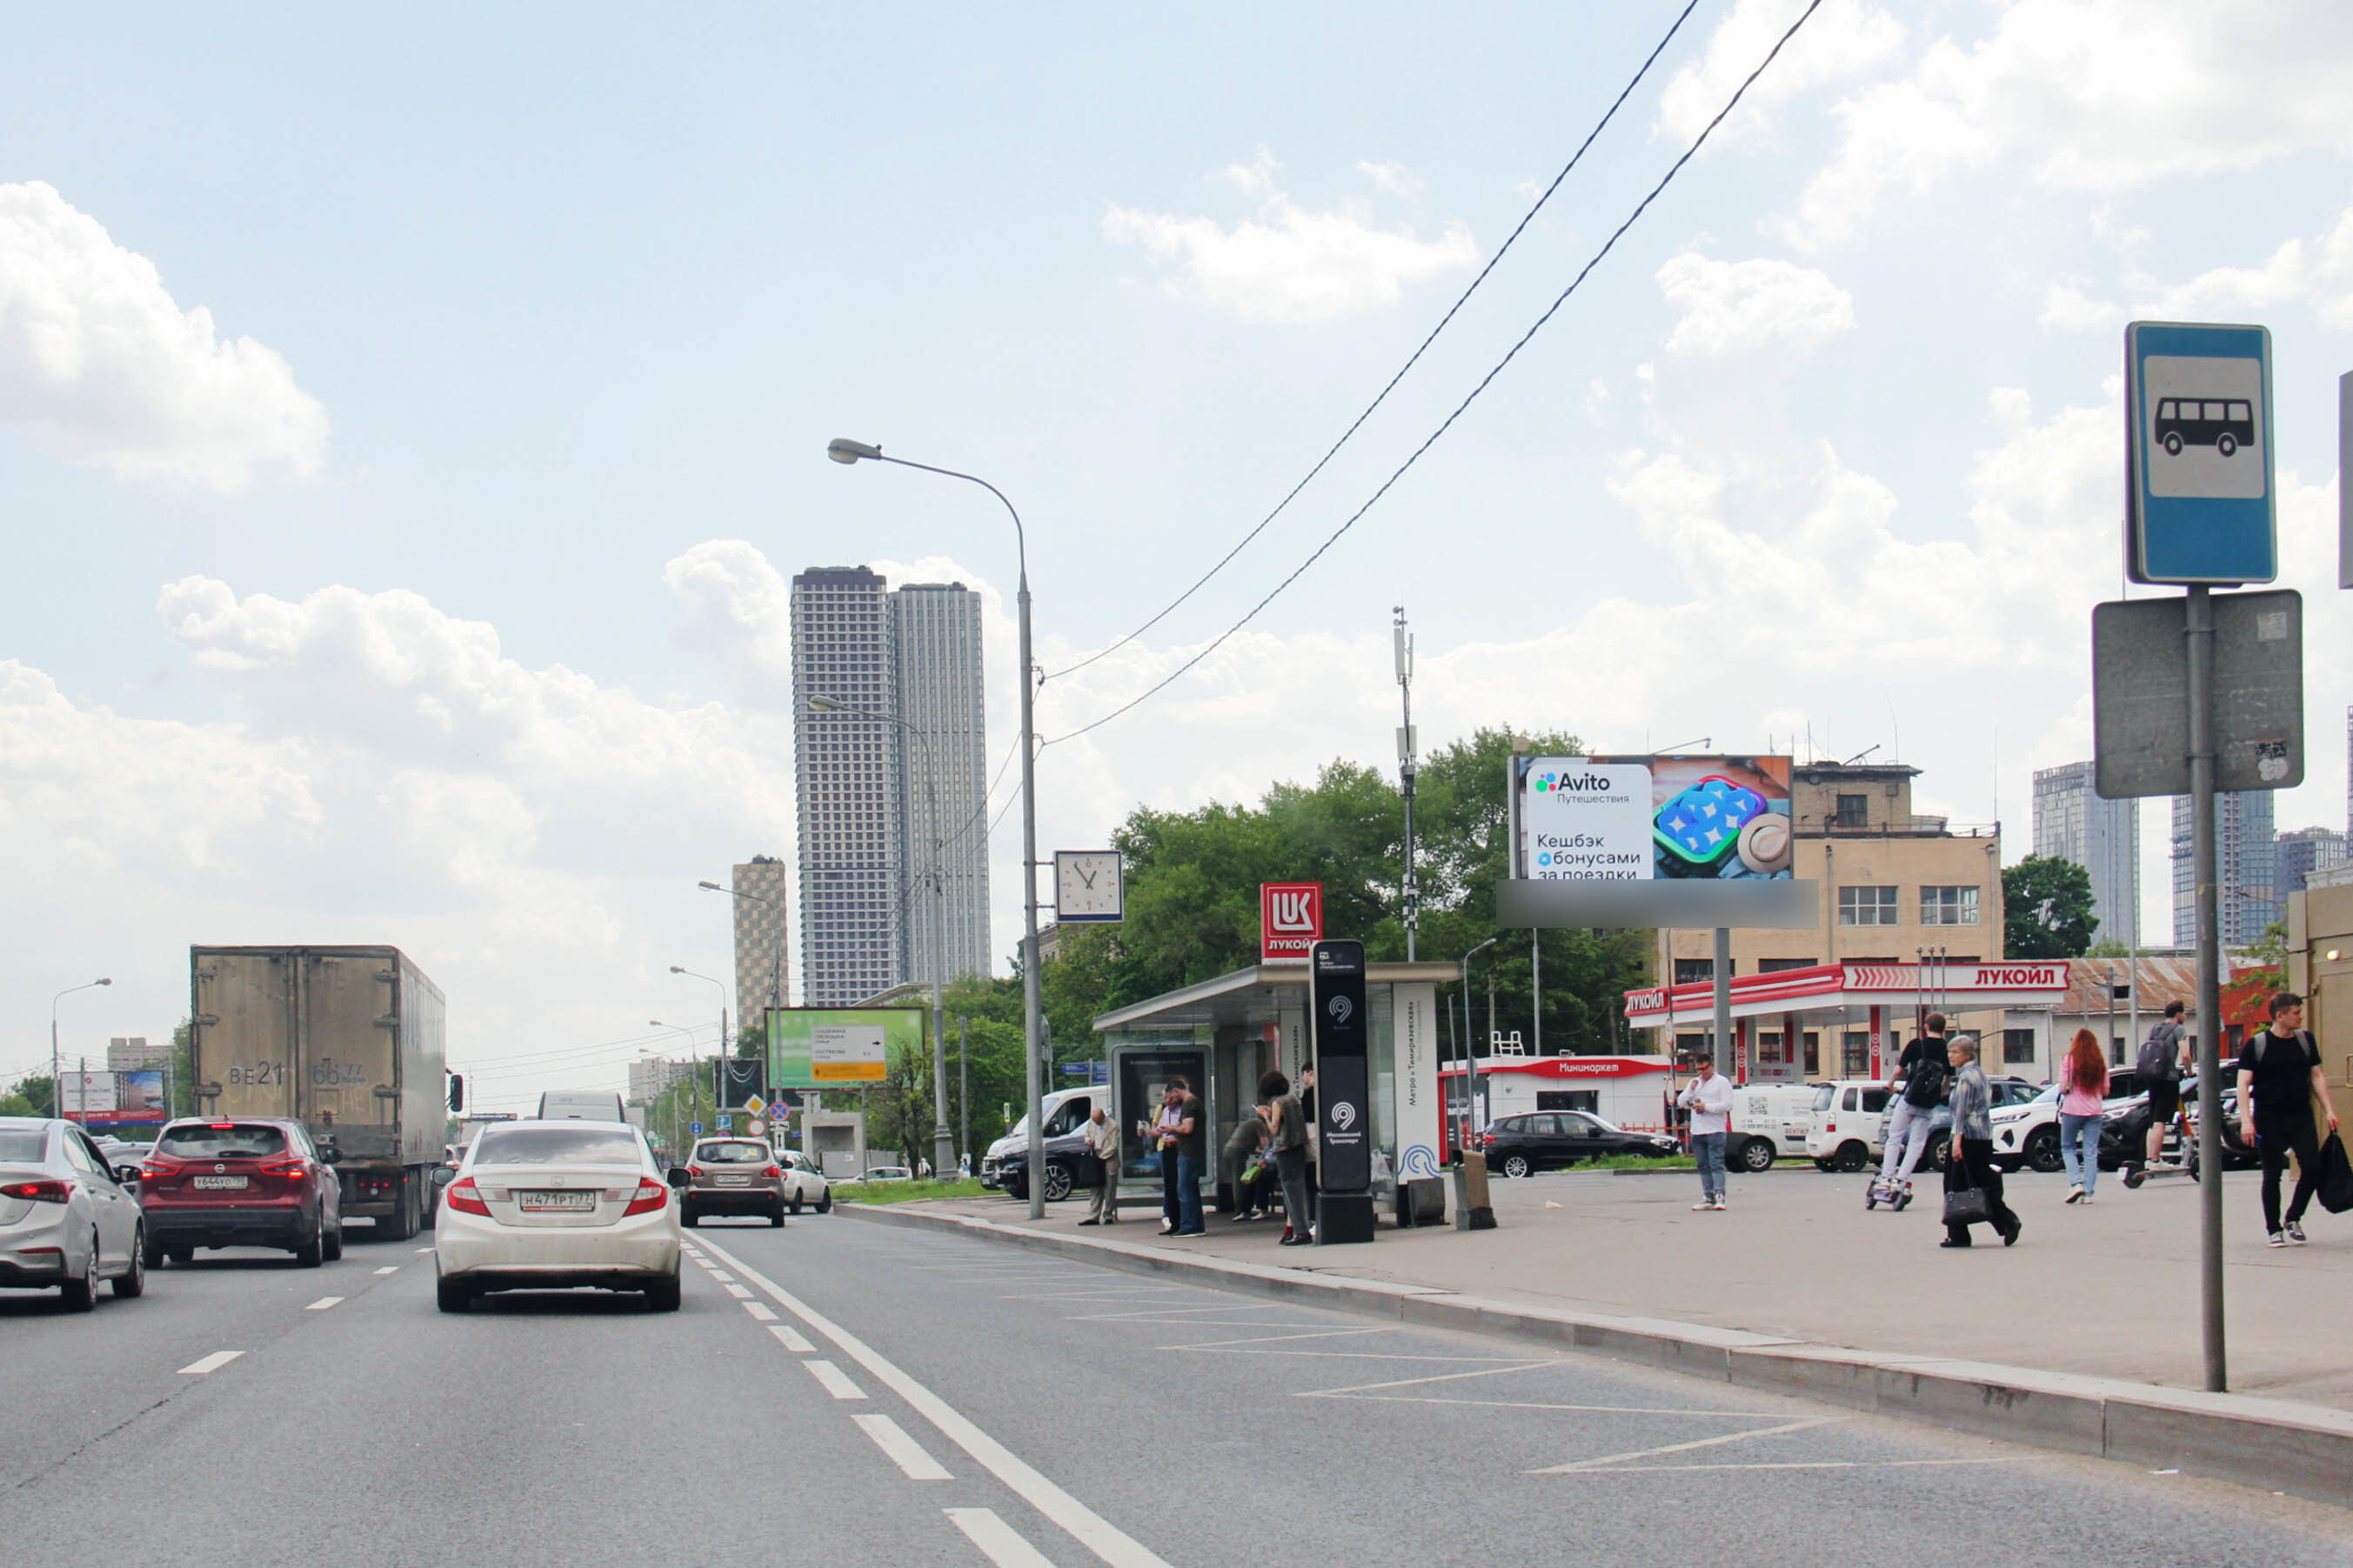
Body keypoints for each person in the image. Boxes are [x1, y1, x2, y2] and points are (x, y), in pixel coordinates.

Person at [2236, 991, 2342, 1247]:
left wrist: (2329, 1110)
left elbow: (2316, 1076)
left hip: (2300, 1115)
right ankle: (2273, 1230)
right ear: (2280, 1015)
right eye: (2296, 1012)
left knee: (2313, 1167)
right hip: (2269, 1118)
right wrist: (2246, 1120)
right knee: (2272, 1174)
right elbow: (2243, 1083)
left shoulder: (2305, 1041)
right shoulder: (2257, 1045)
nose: (2300, 1017)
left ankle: (2293, 1218)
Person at [1941, 1034, 2021, 1248]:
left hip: (1967, 1137)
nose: (1950, 1056)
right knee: (1979, 1184)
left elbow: (1961, 1112)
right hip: (1982, 1136)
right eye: (1949, 1052)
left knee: (1954, 1185)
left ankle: (1963, 1233)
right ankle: (2002, 1222)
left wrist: (1956, 1141)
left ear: (1967, 1055)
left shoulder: (1967, 1078)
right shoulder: (1980, 1075)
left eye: (1955, 1052)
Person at [1875, 1011, 1951, 1198]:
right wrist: (1939, 1094)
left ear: (1926, 1026)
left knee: (1895, 1137)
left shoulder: (1916, 1044)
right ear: (1944, 1028)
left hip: (1910, 1098)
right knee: (1917, 1144)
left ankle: (1886, 1178)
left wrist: (1890, 1084)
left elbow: (1899, 1069)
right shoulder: (1947, 1049)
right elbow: (1948, 1080)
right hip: (1929, 1104)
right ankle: (1901, 1180)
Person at [1144, 1078, 1205, 1237]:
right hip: (1181, 1150)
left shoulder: (1189, 1104)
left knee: (1185, 1187)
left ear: (1176, 1091)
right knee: (1184, 1187)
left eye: (1170, 1097)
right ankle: (1190, 1224)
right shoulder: (1187, 1104)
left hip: (1187, 1150)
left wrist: (1172, 1129)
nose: (1168, 1101)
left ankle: (1190, 1225)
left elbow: (1187, 1129)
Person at [2136, 1001, 2190, 1172]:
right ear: (2178, 1014)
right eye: (2184, 1013)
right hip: (2168, 1078)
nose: (2186, 1016)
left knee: (2153, 1120)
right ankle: (2155, 1159)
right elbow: (2186, 1054)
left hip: (2152, 1077)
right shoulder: (2178, 1030)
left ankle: (2149, 1158)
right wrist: (2189, 1071)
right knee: (2161, 1119)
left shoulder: (2154, 1029)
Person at [1262, 1071, 1314, 1246]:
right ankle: (1297, 1230)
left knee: (1291, 1192)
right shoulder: (1292, 1100)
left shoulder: (1277, 1102)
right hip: (1299, 1147)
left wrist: (1265, 1116)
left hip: (1285, 1149)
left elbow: (1274, 1129)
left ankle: (1301, 1232)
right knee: (1299, 1189)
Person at [2057, 1028, 2107, 1205]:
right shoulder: (2100, 1062)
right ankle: (2088, 1194)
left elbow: (2063, 1088)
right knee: (2090, 1152)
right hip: (2095, 1111)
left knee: (2068, 1147)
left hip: (2072, 1110)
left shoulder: (2069, 1060)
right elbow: (2106, 1090)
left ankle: (2076, 1183)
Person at [1676, 1057, 1732, 1211]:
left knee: (1716, 1163)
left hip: (1715, 1130)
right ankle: (1708, 1197)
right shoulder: (1694, 1082)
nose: (1701, 1072)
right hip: (1698, 1130)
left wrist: (1706, 1107)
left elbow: (1728, 1105)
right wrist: (1690, 1090)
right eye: (1698, 1069)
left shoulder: (1722, 1082)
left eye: (1704, 1069)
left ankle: (1720, 1196)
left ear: (1711, 1066)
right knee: (1703, 1165)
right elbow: (1680, 1102)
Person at [1225, 1107, 1273, 1219]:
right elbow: (1265, 1145)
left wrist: (1263, 1153)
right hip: (1237, 1152)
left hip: (1229, 1150)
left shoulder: (1250, 1123)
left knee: (1239, 1179)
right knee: (1240, 1181)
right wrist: (1269, 1154)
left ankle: (1242, 1209)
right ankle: (1240, 1210)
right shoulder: (1260, 1125)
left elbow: (1253, 1148)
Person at [1078, 1105, 1120, 1226]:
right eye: (1094, 1121)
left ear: (1103, 1117)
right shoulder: (1092, 1123)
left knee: (1109, 1188)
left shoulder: (1113, 1126)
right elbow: (1087, 1134)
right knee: (1095, 1187)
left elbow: (1114, 1145)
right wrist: (1088, 1140)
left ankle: (1108, 1215)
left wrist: (1103, 1156)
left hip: (1109, 1158)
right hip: (1096, 1157)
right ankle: (1093, 1216)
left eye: (1098, 1121)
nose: (1096, 1123)